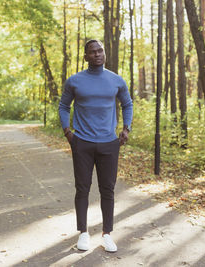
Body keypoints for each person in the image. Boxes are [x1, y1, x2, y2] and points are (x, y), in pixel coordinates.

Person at [58, 39, 133, 252]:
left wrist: (126, 129)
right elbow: (63, 106)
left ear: (104, 53)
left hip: (109, 143)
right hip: (82, 142)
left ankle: (107, 234)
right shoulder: (74, 81)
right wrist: (67, 132)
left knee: (107, 189)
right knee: (82, 188)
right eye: (92, 52)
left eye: (100, 50)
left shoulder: (116, 80)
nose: (97, 54)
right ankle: (83, 233)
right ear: (86, 56)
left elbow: (127, 104)